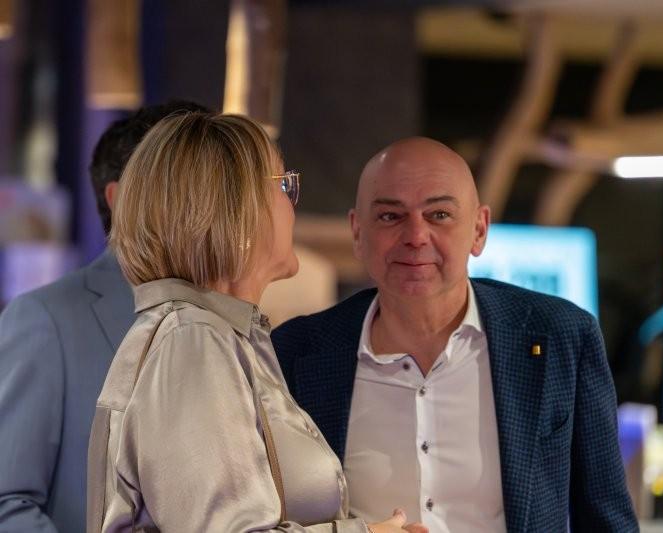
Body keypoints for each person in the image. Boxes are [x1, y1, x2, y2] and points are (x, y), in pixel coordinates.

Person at [271, 137, 639, 532]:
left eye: (440, 215)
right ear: (358, 232)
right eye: (390, 216)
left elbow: (607, 522)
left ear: (479, 229)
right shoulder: (295, 353)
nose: (416, 235)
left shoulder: (561, 338)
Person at [86, 111, 426, 533]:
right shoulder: (193, 341)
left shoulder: (217, 336)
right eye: (282, 185)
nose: (292, 203)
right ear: (234, 210)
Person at [0, 101, 207, 533]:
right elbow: (7, 501)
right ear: (122, 198)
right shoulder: (46, 320)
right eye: (187, 183)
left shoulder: (226, 320)